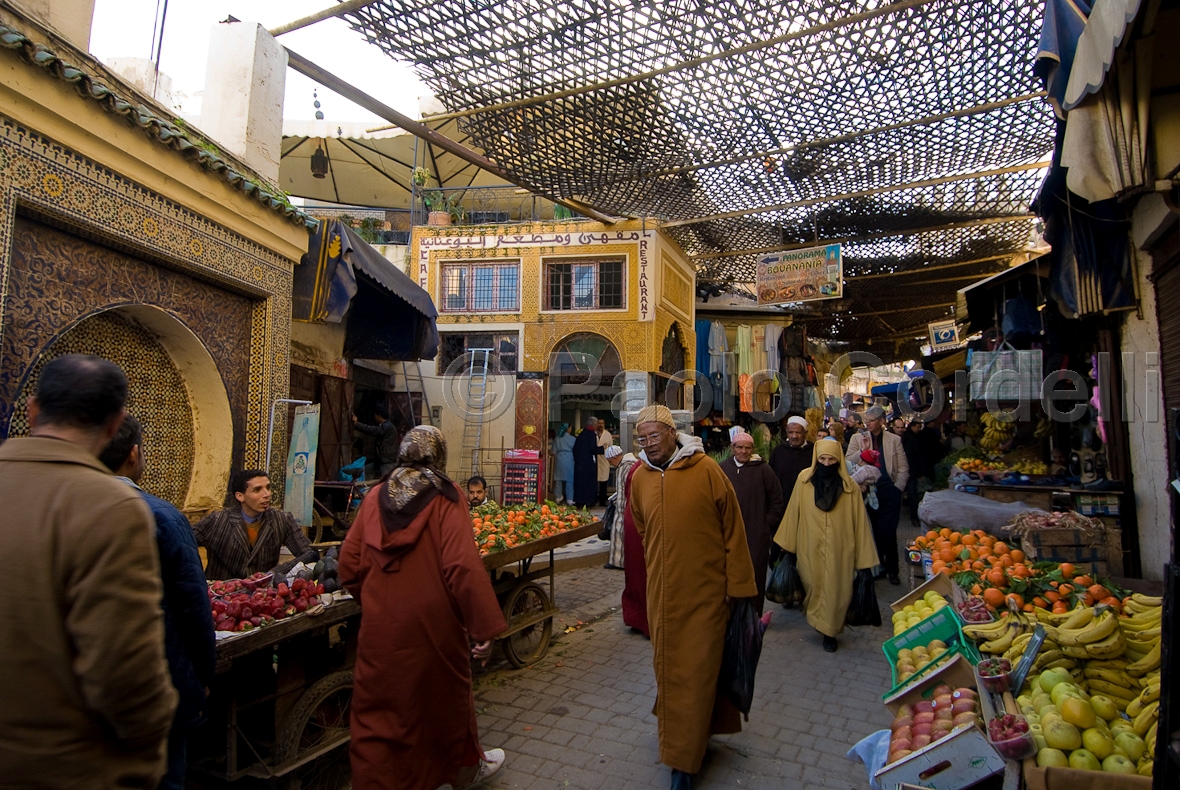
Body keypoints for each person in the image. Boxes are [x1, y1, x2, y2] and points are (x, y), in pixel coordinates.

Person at [0, 354, 177, 787]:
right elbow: (123, 674)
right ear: (116, 425)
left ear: (33, 410)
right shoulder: (111, 507)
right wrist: (152, 742)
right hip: (66, 767)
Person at [340, 426, 508, 790]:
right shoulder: (446, 498)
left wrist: (376, 601)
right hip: (434, 627)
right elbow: (462, 566)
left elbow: (349, 566)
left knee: (378, 712)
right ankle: (454, 771)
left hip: (380, 628)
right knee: (441, 702)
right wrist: (484, 628)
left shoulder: (373, 497)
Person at [628, 405, 757, 789]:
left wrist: (738, 589)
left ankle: (682, 761)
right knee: (669, 668)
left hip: (706, 594)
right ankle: (693, 731)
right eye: (642, 439)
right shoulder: (639, 479)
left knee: (695, 668)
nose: (649, 445)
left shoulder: (707, 471)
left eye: (655, 436)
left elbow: (733, 530)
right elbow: (641, 526)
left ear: (672, 433)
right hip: (661, 596)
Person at [99, 414, 217, 790]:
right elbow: (194, 609)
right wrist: (203, 676)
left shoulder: (54, 509)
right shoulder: (162, 517)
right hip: (154, 684)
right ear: (134, 455)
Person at [773, 438, 879, 652]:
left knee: (837, 590)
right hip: (808, 546)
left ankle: (830, 631)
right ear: (816, 459)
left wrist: (865, 561)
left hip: (841, 549)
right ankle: (818, 620)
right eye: (822, 458)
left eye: (832, 459)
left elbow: (860, 524)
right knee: (812, 583)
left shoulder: (850, 488)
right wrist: (786, 545)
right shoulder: (804, 480)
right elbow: (794, 511)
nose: (827, 463)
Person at [192, 469, 319, 581]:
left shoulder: (281, 519)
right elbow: (181, 543)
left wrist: (274, 573)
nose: (267, 494)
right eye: (257, 490)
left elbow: (309, 553)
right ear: (240, 496)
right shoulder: (217, 521)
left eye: (268, 488)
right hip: (221, 598)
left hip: (263, 596)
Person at [719, 429, 785, 615]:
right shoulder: (723, 469)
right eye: (739, 447)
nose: (743, 451)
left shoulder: (764, 470)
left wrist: (766, 524)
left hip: (756, 535)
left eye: (747, 448)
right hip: (728, 534)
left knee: (756, 573)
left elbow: (776, 500)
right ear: (732, 447)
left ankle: (753, 615)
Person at [846, 404, 910, 585]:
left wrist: (898, 488)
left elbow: (903, 467)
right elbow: (847, 460)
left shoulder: (893, 440)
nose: (868, 424)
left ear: (882, 421)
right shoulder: (858, 438)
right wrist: (862, 450)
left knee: (888, 531)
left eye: (872, 420)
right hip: (866, 491)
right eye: (866, 420)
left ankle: (892, 569)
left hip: (889, 489)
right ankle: (877, 566)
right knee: (872, 531)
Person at [902, 418, 945, 525]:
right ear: (912, 426)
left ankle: (917, 516)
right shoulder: (909, 439)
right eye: (917, 427)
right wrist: (918, 472)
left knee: (915, 493)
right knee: (913, 494)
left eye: (919, 427)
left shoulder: (915, 437)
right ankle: (915, 517)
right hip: (912, 471)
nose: (918, 429)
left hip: (914, 470)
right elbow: (912, 457)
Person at [604, 445, 636, 570]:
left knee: (620, 532)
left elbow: (627, 489)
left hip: (625, 507)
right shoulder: (625, 466)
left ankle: (619, 562)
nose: (610, 464)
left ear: (615, 457)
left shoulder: (626, 467)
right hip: (623, 505)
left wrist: (623, 504)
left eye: (610, 461)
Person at [353, 405, 400, 479]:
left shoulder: (386, 427)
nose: (374, 418)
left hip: (387, 462)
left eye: (375, 416)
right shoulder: (387, 426)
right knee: (367, 470)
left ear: (379, 416)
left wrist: (357, 424)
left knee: (385, 482)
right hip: (382, 461)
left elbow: (373, 430)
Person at [571, 418, 602, 508]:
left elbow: (575, 449)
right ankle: (588, 501)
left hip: (579, 464)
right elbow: (592, 448)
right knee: (588, 483)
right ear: (594, 425)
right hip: (588, 465)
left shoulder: (581, 434)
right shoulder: (591, 435)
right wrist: (602, 449)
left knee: (579, 483)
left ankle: (579, 501)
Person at [551, 423, 576, 504]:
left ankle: (558, 497)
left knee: (558, 479)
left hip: (559, 459)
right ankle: (570, 499)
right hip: (569, 459)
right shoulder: (573, 439)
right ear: (568, 429)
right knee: (570, 480)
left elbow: (553, 452)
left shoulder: (557, 439)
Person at [596, 418, 614, 506]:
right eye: (599, 423)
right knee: (595, 482)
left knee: (603, 483)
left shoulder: (608, 435)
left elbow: (611, 447)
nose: (600, 425)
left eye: (602, 423)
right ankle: (595, 499)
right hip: (595, 461)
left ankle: (603, 500)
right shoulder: (593, 434)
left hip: (604, 460)